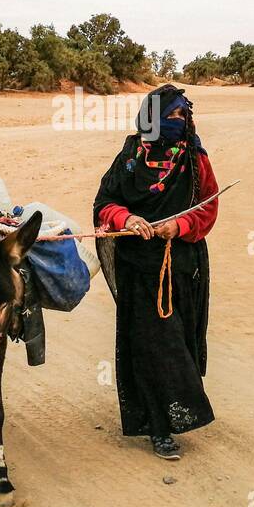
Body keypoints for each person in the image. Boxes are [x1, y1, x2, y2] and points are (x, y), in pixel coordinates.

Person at [93, 83, 219, 459]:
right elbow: (105, 202)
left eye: (183, 115)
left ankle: (176, 410)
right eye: (173, 115)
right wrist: (127, 218)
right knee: (150, 345)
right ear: (153, 119)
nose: (181, 121)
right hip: (137, 268)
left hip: (180, 266)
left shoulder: (195, 159)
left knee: (178, 342)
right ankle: (159, 426)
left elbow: (207, 209)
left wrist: (176, 227)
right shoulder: (131, 155)